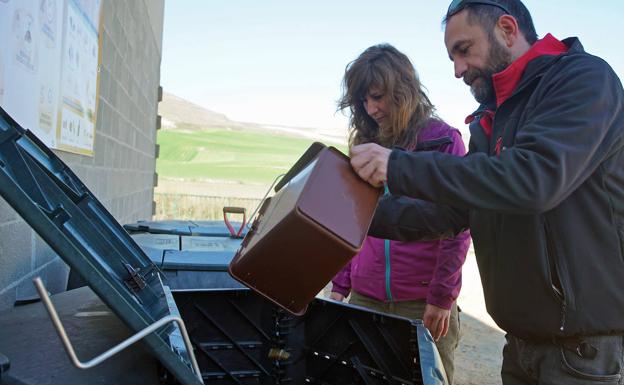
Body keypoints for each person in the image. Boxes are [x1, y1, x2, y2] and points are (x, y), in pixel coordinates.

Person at [348, 1, 624, 384]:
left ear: (508, 30)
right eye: (451, 58)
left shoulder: (583, 80)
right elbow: (446, 214)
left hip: (583, 350)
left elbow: (535, 179)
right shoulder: (493, 119)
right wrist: (352, 215)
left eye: (463, 50)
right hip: (522, 343)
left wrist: (397, 166)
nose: (458, 69)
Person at [329, 44, 471, 384]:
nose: (371, 108)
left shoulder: (443, 141)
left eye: (377, 96)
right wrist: (341, 282)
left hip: (421, 301)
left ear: (402, 91)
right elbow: (354, 219)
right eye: (364, 99)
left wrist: (441, 297)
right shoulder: (364, 143)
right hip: (366, 296)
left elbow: (460, 228)